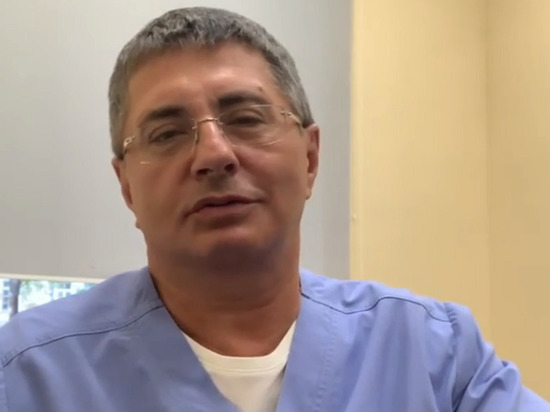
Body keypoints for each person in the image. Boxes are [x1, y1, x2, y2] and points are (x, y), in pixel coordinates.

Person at [0, 6, 548, 412]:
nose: (213, 154)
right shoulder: (26, 374)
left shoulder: (435, 357)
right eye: (167, 134)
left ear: (310, 158)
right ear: (126, 187)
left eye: (246, 118)